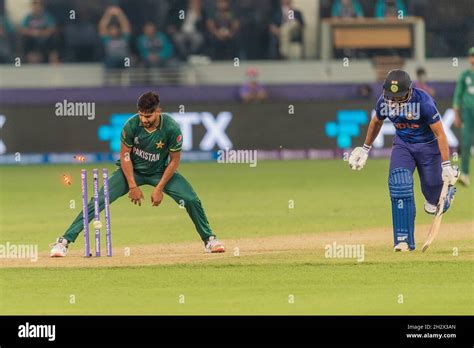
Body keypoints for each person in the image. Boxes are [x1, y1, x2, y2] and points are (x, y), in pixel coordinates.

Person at [50, 92, 225, 257]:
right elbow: (125, 156)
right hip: (131, 172)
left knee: (191, 199)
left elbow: (174, 161)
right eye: (141, 115)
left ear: (158, 111)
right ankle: (64, 241)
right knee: (99, 200)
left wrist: (159, 188)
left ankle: (209, 240)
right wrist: (132, 185)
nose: (144, 119)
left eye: (148, 116)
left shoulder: (171, 128)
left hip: (160, 172)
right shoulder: (131, 125)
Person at [349, 70, 459, 252]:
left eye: (398, 97)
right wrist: (365, 149)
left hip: (428, 146)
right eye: (391, 97)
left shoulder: (423, 102)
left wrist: (445, 164)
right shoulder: (384, 102)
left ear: (409, 91)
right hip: (403, 145)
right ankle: (403, 240)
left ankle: (445, 195)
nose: (394, 102)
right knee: (399, 183)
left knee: (433, 202)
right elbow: (376, 122)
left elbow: (440, 133)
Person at [453, 47, 474, 186]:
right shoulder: (464, 75)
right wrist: (456, 115)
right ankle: (465, 175)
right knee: (465, 144)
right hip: (467, 113)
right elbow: (457, 96)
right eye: (472, 56)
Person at [98, 6, 131, 70]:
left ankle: (130, 77)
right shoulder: (107, 39)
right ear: (109, 31)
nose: (114, 31)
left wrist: (119, 13)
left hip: (124, 59)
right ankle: (108, 79)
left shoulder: (124, 37)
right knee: (108, 61)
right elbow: (102, 26)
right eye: (111, 29)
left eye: (115, 29)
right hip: (111, 59)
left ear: (119, 30)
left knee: (129, 61)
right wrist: (108, 13)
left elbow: (125, 24)